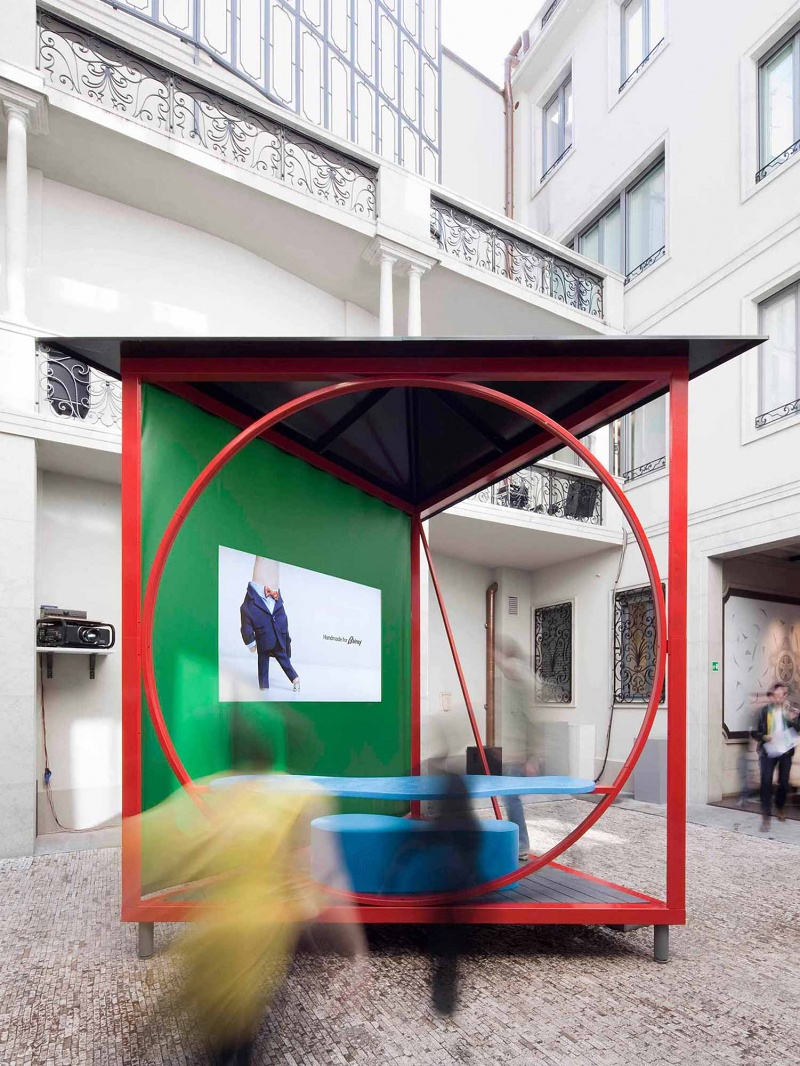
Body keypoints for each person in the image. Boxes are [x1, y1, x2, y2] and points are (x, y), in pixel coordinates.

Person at [496, 637, 540, 861]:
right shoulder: (511, 679)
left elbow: (531, 720)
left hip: (517, 753)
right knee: (510, 798)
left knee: (511, 798)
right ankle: (518, 842)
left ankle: (521, 844)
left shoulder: (521, 679)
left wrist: (531, 756)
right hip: (511, 751)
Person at [750, 683, 799, 831]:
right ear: (772, 696)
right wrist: (764, 736)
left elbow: (798, 729)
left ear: (785, 696)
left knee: (783, 783)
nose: (778, 698)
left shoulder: (791, 711)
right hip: (768, 751)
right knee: (766, 781)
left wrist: (793, 720)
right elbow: (754, 732)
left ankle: (779, 806)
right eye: (775, 695)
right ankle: (766, 814)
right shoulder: (764, 712)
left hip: (785, 751)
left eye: (781, 695)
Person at [240, 579, 300, 693]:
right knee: (263, 663)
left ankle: (295, 679)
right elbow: (246, 626)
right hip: (263, 640)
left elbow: (283, 620)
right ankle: (264, 686)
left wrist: (286, 638)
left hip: (278, 639)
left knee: (284, 660)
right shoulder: (248, 604)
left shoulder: (277, 599)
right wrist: (250, 641)